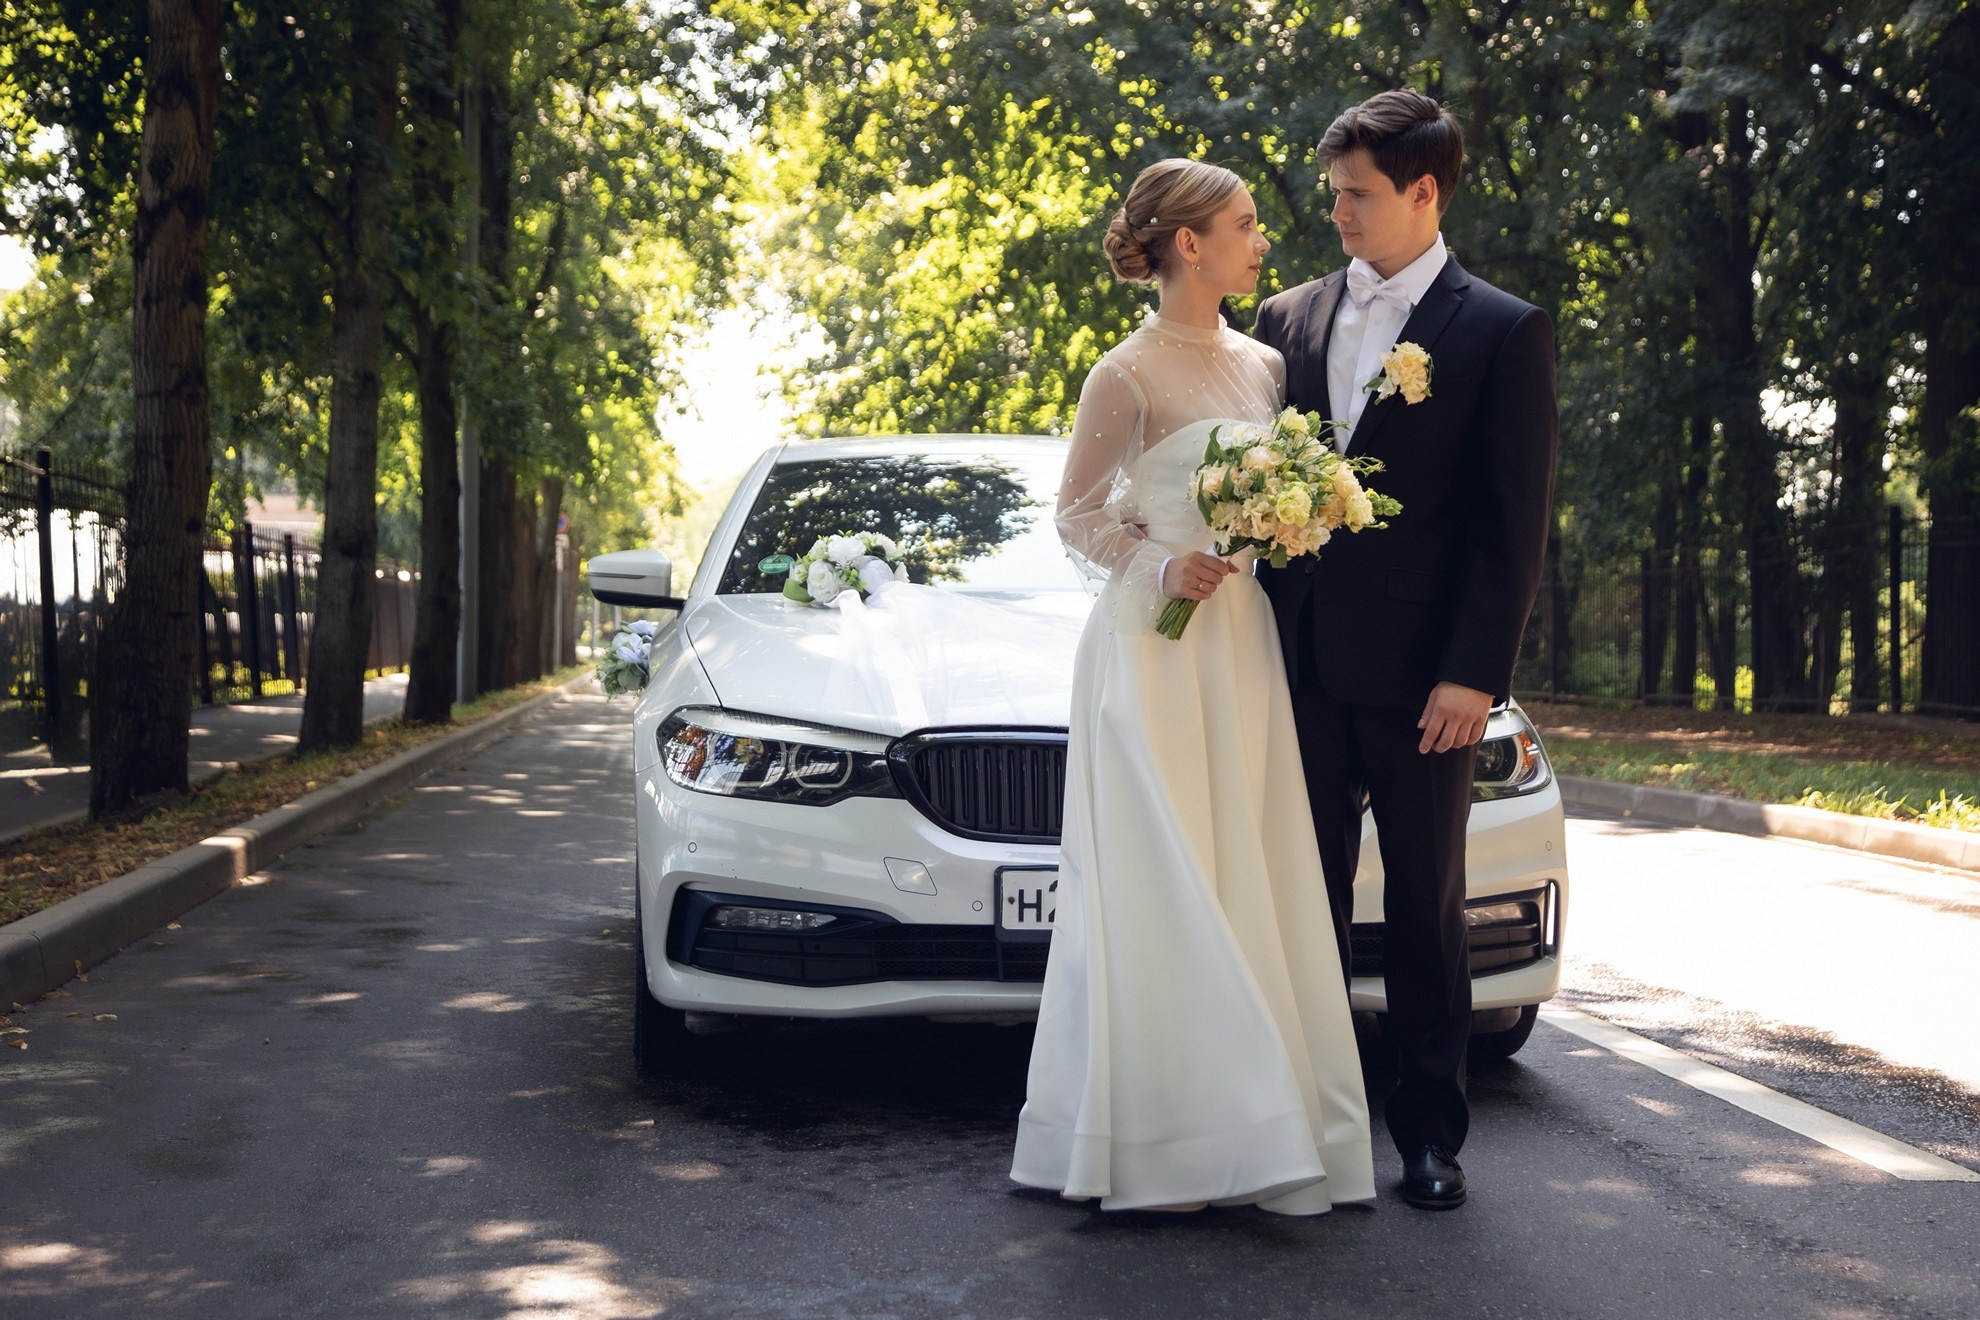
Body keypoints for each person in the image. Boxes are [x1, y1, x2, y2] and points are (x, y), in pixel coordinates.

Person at [1011, 158, 1375, 1215]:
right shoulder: (1123, 372)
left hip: (1239, 641)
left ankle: (1259, 1123)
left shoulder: (1265, 367)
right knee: (1159, 875)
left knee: (1244, 867)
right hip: (1151, 644)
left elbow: (1283, 493)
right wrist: (1162, 566)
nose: (1264, 240)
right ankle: (1157, 1135)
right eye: (1245, 223)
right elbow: (1078, 515)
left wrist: (1285, 518)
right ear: (1189, 244)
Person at [1253, 91, 1558, 1210]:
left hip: (1430, 680)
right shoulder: (1282, 320)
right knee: (1301, 902)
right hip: (1293, 669)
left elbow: (1507, 523)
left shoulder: (1502, 329)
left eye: (1358, 194)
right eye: (1334, 189)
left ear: (1425, 193)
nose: (1336, 210)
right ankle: (1314, 1124)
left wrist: (1476, 673)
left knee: (1428, 907)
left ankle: (1429, 1137)